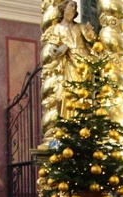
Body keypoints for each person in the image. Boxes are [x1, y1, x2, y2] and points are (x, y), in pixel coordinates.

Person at [41, 0, 96, 138]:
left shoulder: (80, 27)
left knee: (84, 93)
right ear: (64, 9)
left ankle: (84, 124)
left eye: (75, 6)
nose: (74, 8)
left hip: (83, 62)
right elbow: (52, 46)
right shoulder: (57, 28)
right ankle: (71, 125)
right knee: (69, 93)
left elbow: (92, 41)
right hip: (69, 63)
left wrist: (90, 33)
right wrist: (57, 49)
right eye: (71, 5)